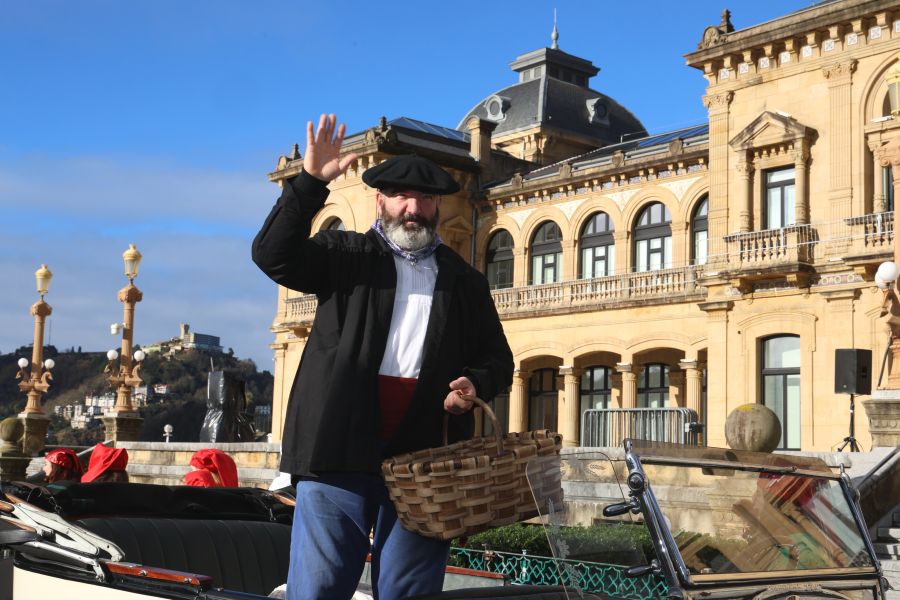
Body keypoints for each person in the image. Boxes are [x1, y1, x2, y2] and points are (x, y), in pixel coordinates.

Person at [252, 114, 514, 600]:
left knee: (409, 593)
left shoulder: (465, 281)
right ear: (380, 200)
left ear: (438, 205)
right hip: (338, 444)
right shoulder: (344, 255)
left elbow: (498, 360)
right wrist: (309, 185)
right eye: (399, 196)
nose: (411, 208)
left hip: (425, 460)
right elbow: (273, 255)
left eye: (424, 199)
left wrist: (474, 384)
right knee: (320, 588)